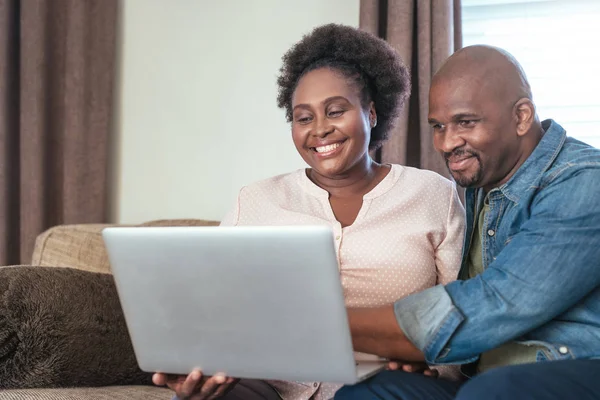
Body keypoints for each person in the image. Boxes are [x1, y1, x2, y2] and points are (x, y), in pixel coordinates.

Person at [152, 24, 466, 400]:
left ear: (371, 112)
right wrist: (203, 367)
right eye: (303, 118)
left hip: (384, 385)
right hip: (270, 385)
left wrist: (433, 363)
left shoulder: (432, 193)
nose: (320, 130)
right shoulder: (255, 200)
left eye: (335, 111)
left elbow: (463, 312)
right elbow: (215, 311)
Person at [334, 45, 600, 400]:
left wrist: (326, 321)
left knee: (490, 391)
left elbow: (494, 305)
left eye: (465, 122)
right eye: (438, 126)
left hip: (577, 369)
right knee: (370, 392)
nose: (446, 143)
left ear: (521, 117)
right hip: (494, 379)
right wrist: (420, 353)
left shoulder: (584, 182)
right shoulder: (489, 174)